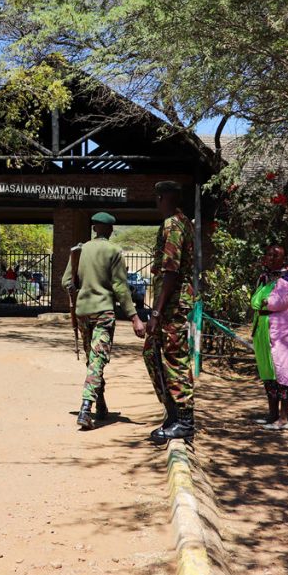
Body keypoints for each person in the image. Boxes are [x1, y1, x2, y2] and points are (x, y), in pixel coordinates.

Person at [62, 211, 146, 430]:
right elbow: (120, 286)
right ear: (108, 230)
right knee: (98, 361)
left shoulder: (78, 251)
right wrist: (134, 317)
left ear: (94, 228)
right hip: (103, 314)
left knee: (93, 360)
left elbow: (65, 282)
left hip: (82, 312)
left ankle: (100, 404)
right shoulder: (114, 251)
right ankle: (85, 408)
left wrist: (78, 290)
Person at [142, 181, 196, 442]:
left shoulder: (173, 224)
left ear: (162, 198)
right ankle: (173, 413)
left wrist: (156, 313)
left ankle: (184, 420)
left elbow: (170, 270)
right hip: (172, 303)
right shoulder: (183, 221)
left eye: (157, 198)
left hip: (172, 305)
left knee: (174, 359)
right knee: (152, 353)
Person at [251, 244, 288, 431]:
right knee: (269, 372)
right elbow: (256, 301)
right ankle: (273, 415)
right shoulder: (264, 277)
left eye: (275, 255)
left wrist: (267, 302)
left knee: (284, 372)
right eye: (268, 254)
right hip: (264, 333)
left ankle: (284, 419)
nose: (271, 258)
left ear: (283, 259)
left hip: (286, 335)